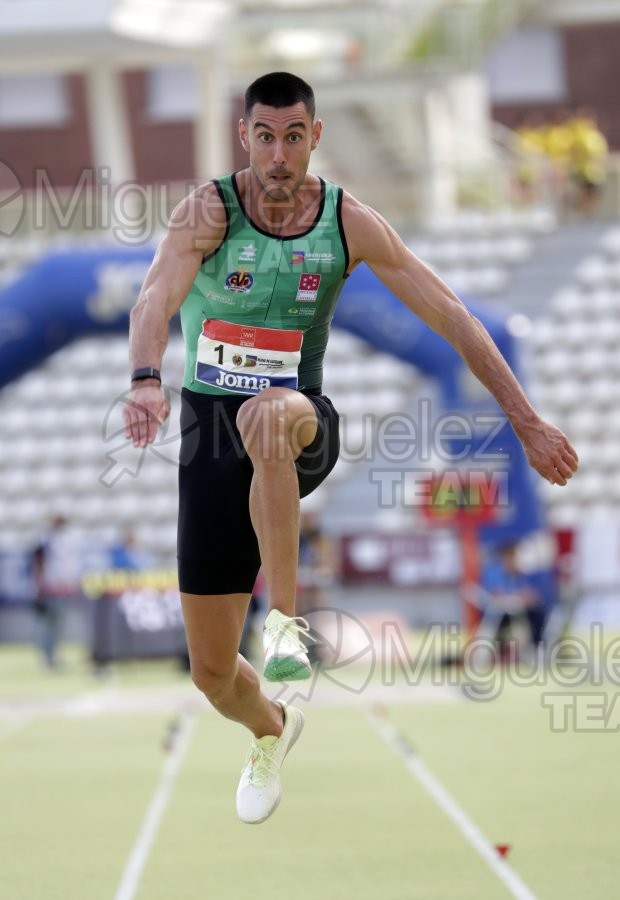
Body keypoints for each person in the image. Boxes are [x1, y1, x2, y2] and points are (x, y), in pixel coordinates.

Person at [123, 71, 578, 824]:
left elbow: (455, 316)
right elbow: (152, 298)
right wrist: (144, 379)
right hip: (208, 438)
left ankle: (287, 626)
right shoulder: (207, 212)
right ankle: (271, 727)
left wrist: (525, 419)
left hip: (301, 422)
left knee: (267, 416)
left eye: (293, 137)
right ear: (245, 136)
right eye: (264, 136)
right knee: (210, 673)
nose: (278, 155)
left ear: (315, 137)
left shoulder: (348, 222)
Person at [477, 541, 544, 661]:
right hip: (498, 614)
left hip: (516, 612)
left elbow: (531, 594)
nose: (515, 560)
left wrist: (523, 597)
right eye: (512, 556)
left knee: (537, 614)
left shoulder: (517, 574)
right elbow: (494, 594)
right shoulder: (494, 572)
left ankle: (535, 649)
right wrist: (516, 597)